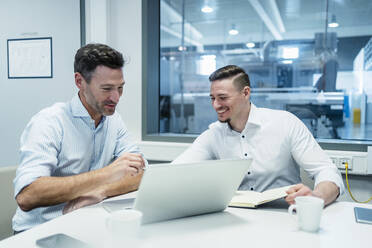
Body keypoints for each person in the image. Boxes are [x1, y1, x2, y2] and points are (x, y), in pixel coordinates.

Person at [13, 43, 145, 232]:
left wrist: (101, 191)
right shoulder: (49, 122)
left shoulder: (114, 120)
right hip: (41, 230)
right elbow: (27, 196)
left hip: (87, 223)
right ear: (79, 81)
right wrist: (108, 174)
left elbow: (141, 174)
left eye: (120, 88)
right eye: (107, 89)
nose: (116, 98)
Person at [173, 65, 344, 206]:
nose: (216, 105)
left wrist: (316, 197)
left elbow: (326, 170)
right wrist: (145, 165)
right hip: (234, 220)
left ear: (245, 93)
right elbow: (175, 171)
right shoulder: (213, 135)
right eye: (212, 98)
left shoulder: (284, 123)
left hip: (284, 217)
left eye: (222, 98)